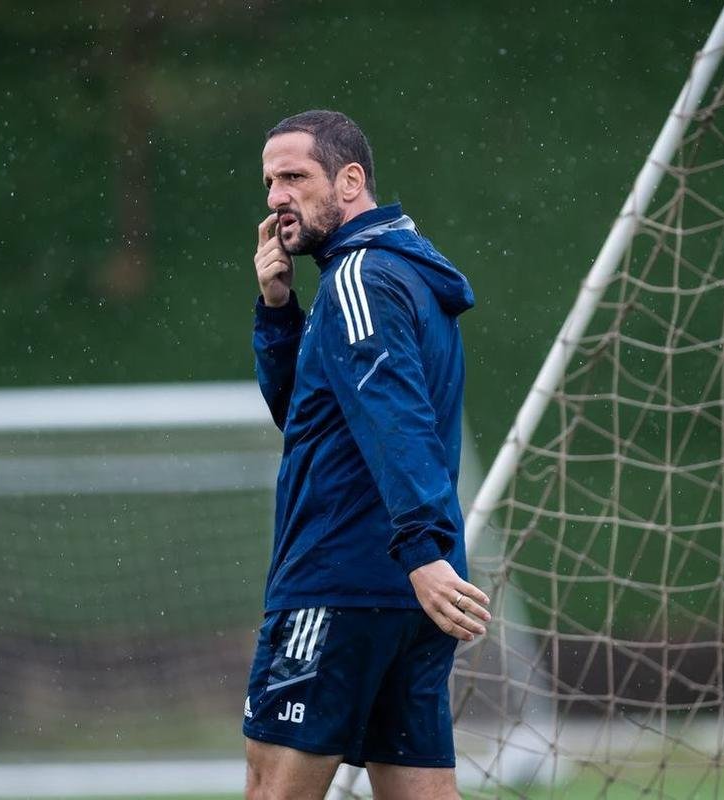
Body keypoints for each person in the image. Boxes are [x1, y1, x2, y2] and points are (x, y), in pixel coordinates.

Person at [243, 109, 490, 800]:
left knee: (271, 789)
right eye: (268, 182)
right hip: (408, 597)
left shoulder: (358, 278)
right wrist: (276, 308)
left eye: (293, 177)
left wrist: (418, 549)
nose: (275, 198)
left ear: (350, 180)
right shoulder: (397, 272)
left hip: (340, 581)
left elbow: (394, 417)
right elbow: (314, 418)